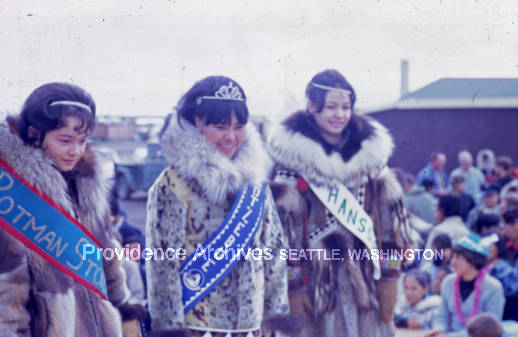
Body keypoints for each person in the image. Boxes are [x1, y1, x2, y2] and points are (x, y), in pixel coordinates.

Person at [268, 69, 413, 337]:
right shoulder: (291, 161)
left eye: (346, 107)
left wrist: (391, 278)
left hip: (366, 280)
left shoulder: (370, 157)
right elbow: (284, 232)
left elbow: (388, 222)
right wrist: (294, 285)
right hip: (318, 284)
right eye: (331, 107)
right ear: (312, 106)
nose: (340, 115)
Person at [145, 76, 294, 337]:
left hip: (250, 326)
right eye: (221, 126)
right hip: (196, 326)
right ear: (197, 123)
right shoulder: (173, 183)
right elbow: (162, 264)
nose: (231, 137)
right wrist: (170, 328)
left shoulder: (255, 182)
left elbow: (274, 253)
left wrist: (276, 318)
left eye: (239, 127)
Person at [0, 82, 144, 336]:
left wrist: (123, 305)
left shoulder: (88, 184)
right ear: (34, 134)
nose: (76, 151)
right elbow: (8, 296)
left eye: (83, 141)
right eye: (65, 140)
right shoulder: (14, 192)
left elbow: (106, 254)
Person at [431, 233, 505, 337]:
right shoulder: (448, 282)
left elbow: (490, 329)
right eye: (453, 258)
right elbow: (442, 315)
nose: (453, 262)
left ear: (473, 260)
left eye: (458, 258)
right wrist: (438, 331)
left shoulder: (494, 287)